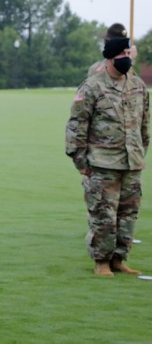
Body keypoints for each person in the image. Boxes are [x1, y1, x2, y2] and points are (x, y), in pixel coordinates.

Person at [66, 33, 149, 277]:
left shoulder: (138, 86)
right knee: (103, 215)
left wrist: (139, 153)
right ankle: (101, 262)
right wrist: (80, 161)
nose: (127, 59)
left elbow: (144, 125)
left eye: (128, 54)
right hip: (102, 163)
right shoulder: (92, 86)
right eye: (122, 55)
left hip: (132, 163)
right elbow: (76, 126)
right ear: (110, 58)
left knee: (128, 215)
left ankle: (120, 259)